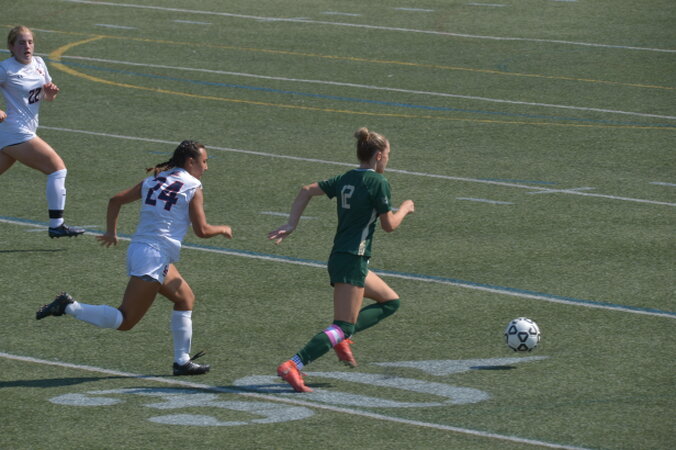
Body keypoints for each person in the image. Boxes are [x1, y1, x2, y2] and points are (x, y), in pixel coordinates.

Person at [36, 140, 233, 375]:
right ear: (191, 162)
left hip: (144, 251)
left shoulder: (155, 179)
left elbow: (115, 200)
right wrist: (222, 228)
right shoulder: (193, 186)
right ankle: (69, 307)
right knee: (125, 320)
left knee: (185, 298)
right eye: (204, 162)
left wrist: (111, 232)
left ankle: (182, 361)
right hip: (154, 256)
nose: (206, 167)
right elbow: (202, 231)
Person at [268, 127, 415, 392]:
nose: (388, 159)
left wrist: (291, 224)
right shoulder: (378, 182)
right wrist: (405, 208)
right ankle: (293, 365)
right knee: (342, 326)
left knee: (391, 302)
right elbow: (389, 225)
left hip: (343, 257)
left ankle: (341, 339)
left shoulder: (346, 178)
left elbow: (306, 190)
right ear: (378, 155)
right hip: (352, 259)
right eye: (388, 154)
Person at [0, 25, 83, 238]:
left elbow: (46, 95)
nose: (27, 46)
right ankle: (57, 224)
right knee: (57, 169)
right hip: (15, 131)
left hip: (22, 129)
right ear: (11, 46)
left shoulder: (39, 63)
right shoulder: (5, 68)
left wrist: (50, 93)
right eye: (21, 43)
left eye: (30, 42)